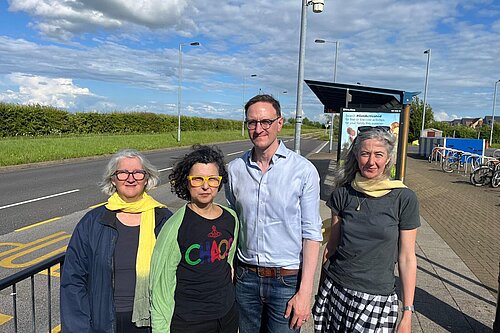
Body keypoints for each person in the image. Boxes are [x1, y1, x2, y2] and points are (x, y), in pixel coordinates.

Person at [225, 94, 322, 332]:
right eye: (252, 122)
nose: (258, 129)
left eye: (265, 121)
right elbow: (233, 222)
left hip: (286, 282)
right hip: (245, 278)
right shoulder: (235, 169)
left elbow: (312, 234)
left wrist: (305, 293)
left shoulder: (303, 170)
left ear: (279, 123)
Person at [313, 126, 420, 333]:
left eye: (378, 154)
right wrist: (320, 293)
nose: (371, 162)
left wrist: (407, 313)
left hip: (377, 298)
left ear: (388, 158)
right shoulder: (343, 194)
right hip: (336, 289)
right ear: (356, 155)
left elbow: (407, 257)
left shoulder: (404, 199)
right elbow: (331, 249)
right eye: (365, 154)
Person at [60, 149, 173, 333]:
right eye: (122, 173)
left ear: (147, 178)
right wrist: (79, 328)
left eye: (138, 172)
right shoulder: (93, 222)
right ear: (113, 179)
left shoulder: (164, 219)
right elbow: (73, 280)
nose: (131, 178)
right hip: (104, 322)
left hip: (154, 320)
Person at [150, 145, 239, 333]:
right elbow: (160, 285)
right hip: (190, 322)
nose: (206, 186)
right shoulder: (175, 226)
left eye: (212, 180)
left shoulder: (231, 218)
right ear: (187, 181)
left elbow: (228, 262)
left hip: (227, 316)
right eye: (198, 179)